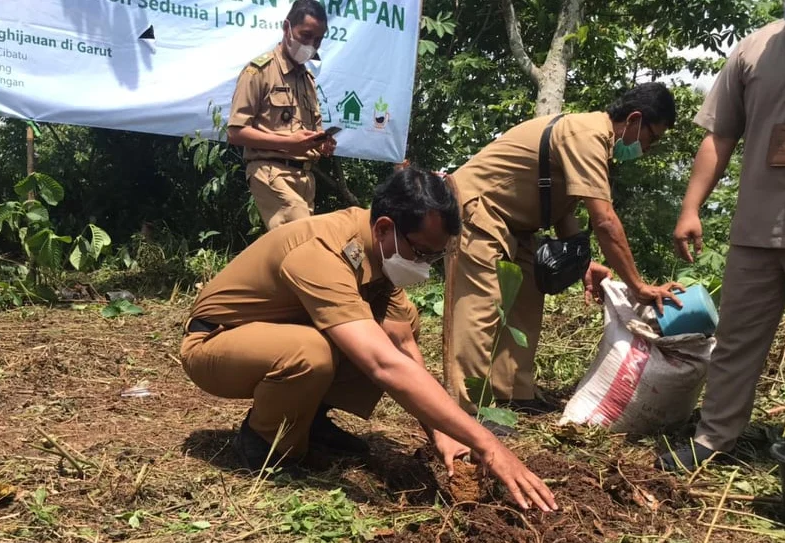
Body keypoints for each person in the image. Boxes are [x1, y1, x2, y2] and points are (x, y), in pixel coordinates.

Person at [180, 167, 558, 511]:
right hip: (215, 345)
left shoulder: (380, 256)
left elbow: (402, 347)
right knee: (313, 352)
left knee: (397, 325)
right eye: (423, 252)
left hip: (273, 338)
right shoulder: (322, 254)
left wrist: (443, 435)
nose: (426, 265)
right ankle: (264, 443)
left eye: (435, 255)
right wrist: (488, 444)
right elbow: (383, 364)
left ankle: (307, 420)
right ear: (384, 228)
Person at [659, 0, 785, 471]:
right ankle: (714, 437)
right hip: (757, 227)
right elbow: (719, 135)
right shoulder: (753, 49)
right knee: (736, 340)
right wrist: (690, 207)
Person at [445, 83, 684, 423]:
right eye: (651, 138)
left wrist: (584, 263)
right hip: (476, 211)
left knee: (528, 300)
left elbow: (560, 209)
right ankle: (464, 411)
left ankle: (513, 393)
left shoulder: (596, 141)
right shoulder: (587, 136)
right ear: (634, 120)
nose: (647, 148)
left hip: (517, 226)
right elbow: (605, 223)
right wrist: (638, 287)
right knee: (479, 308)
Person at [227, 0, 336, 230]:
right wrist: (287, 143)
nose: (311, 44)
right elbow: (235, 132)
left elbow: (311, 134)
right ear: (287, 28)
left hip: (306, 179)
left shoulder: (307, 80)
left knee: (289, 253)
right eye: (306, 35)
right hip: (271, 172)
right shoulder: (259, 71)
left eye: (317, 40)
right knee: (304, 243)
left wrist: (321, 143)